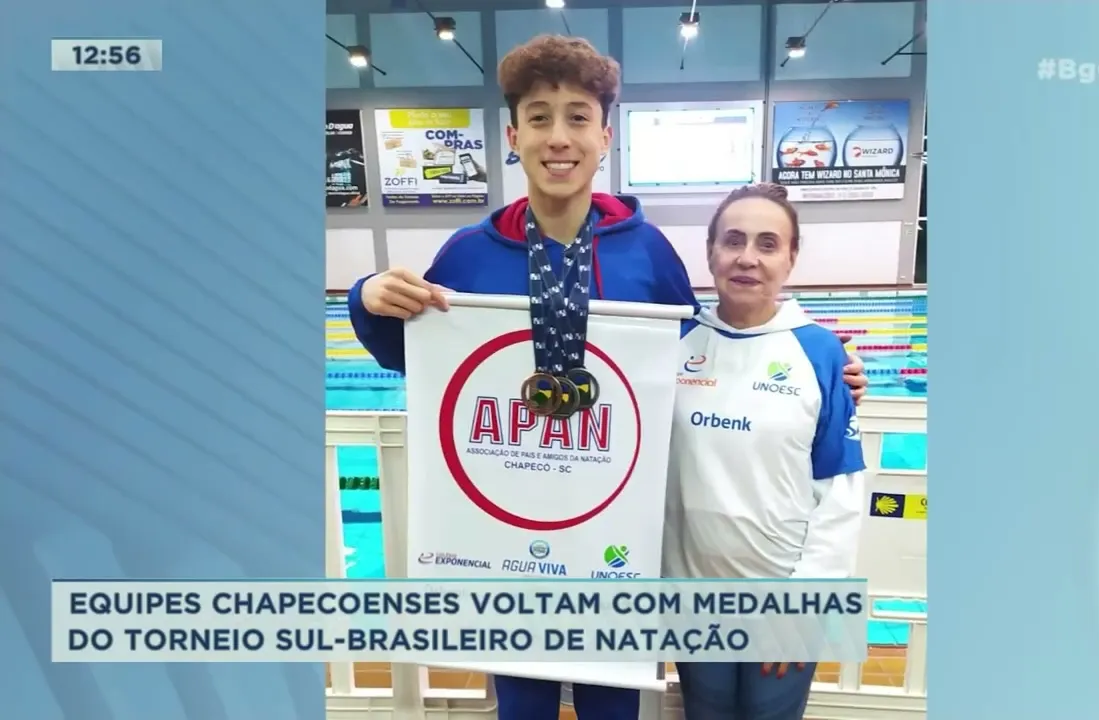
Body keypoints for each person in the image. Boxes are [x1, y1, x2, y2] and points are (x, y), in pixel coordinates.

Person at [347, 34, 868, 720]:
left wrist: (827, 372)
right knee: (522, 710)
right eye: (539, 117)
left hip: (611, 543)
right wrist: (368, 296)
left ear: (604, 135)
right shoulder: (470, 255)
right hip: (511, 546)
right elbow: (413, 354)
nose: (558, 137)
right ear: (512, 134)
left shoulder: (646, 253)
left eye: (577, 117)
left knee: (613, 710)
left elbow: (693, 359)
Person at [663, 183, 867, 720]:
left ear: (791, 258)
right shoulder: (673, 341)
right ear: (710, 252)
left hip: (784, 596)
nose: (747, 258)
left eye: (768, 244)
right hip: (695, 596)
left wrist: (804, 607)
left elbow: (841, 490)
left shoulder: (820, 351)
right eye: (732, 241)